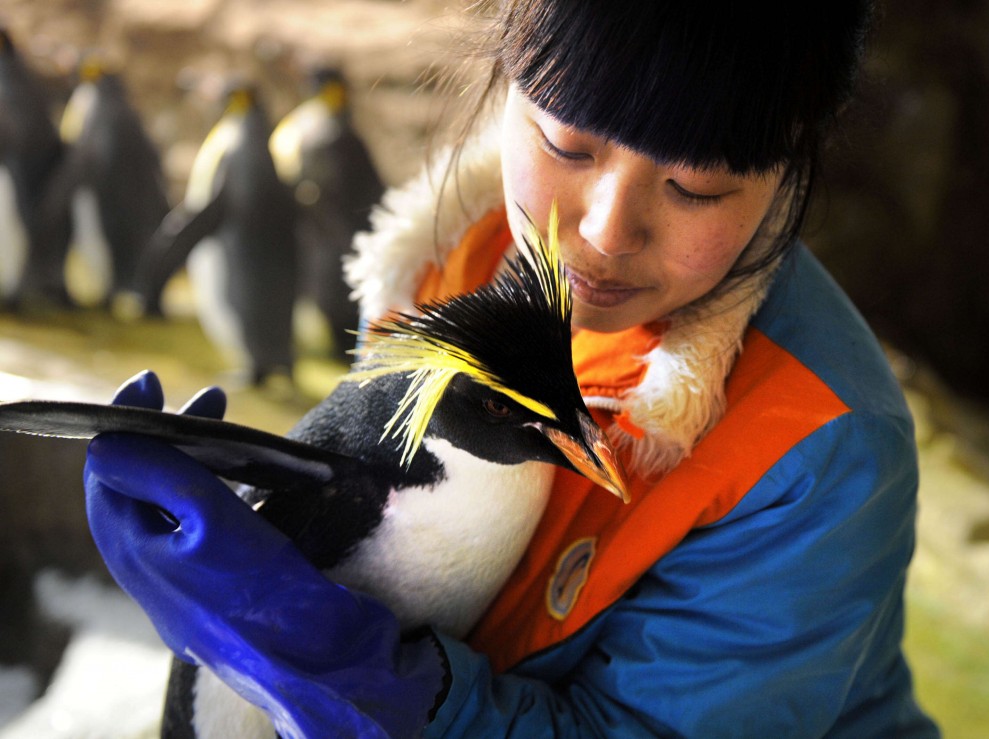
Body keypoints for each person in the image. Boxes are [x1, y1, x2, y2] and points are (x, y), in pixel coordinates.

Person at [83, 1, 941, 736]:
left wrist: (357, 673)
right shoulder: (465, 250)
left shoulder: (816, 444)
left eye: (696, 188)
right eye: (568, 143)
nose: (607, 231)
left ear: (791, 170)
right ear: (506, 80)